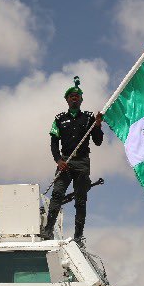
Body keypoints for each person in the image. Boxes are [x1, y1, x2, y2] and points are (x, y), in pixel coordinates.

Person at [43, 75, 104, 246]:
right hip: (65, 162)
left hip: (82, 163)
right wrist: (58, 160)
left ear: (81, 99)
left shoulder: (89, 118)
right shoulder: (59, 119)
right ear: (67, 100)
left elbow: (98, 141)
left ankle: (78, 236)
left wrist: (98, 125)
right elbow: (53, 143)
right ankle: (48, 230)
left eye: (77, 96)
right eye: (71, 96)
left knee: (80, 200)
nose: (74, 98)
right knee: (57, 195)